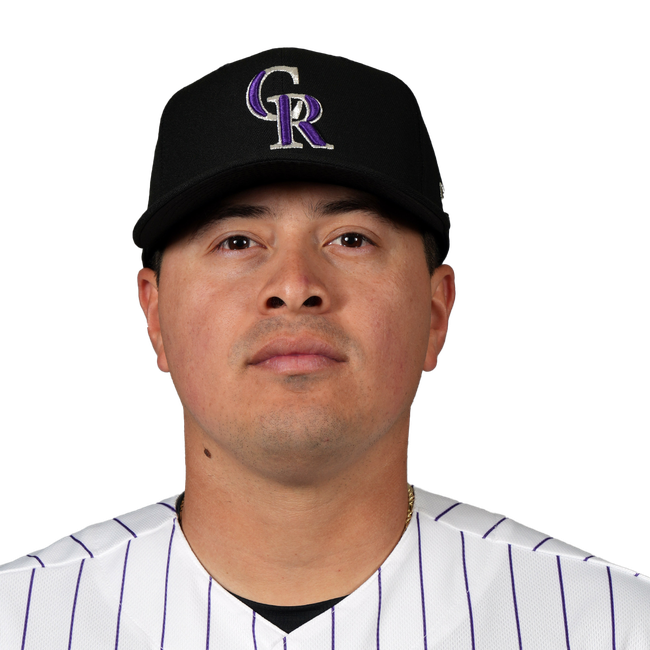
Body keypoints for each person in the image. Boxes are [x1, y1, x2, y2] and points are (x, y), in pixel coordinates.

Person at [1, 47, 647, 649]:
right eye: (237, 241)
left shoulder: (617, 622)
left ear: (435, 311)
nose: (294, 286)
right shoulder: (19, 617)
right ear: (155, 315)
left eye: (351, 239)